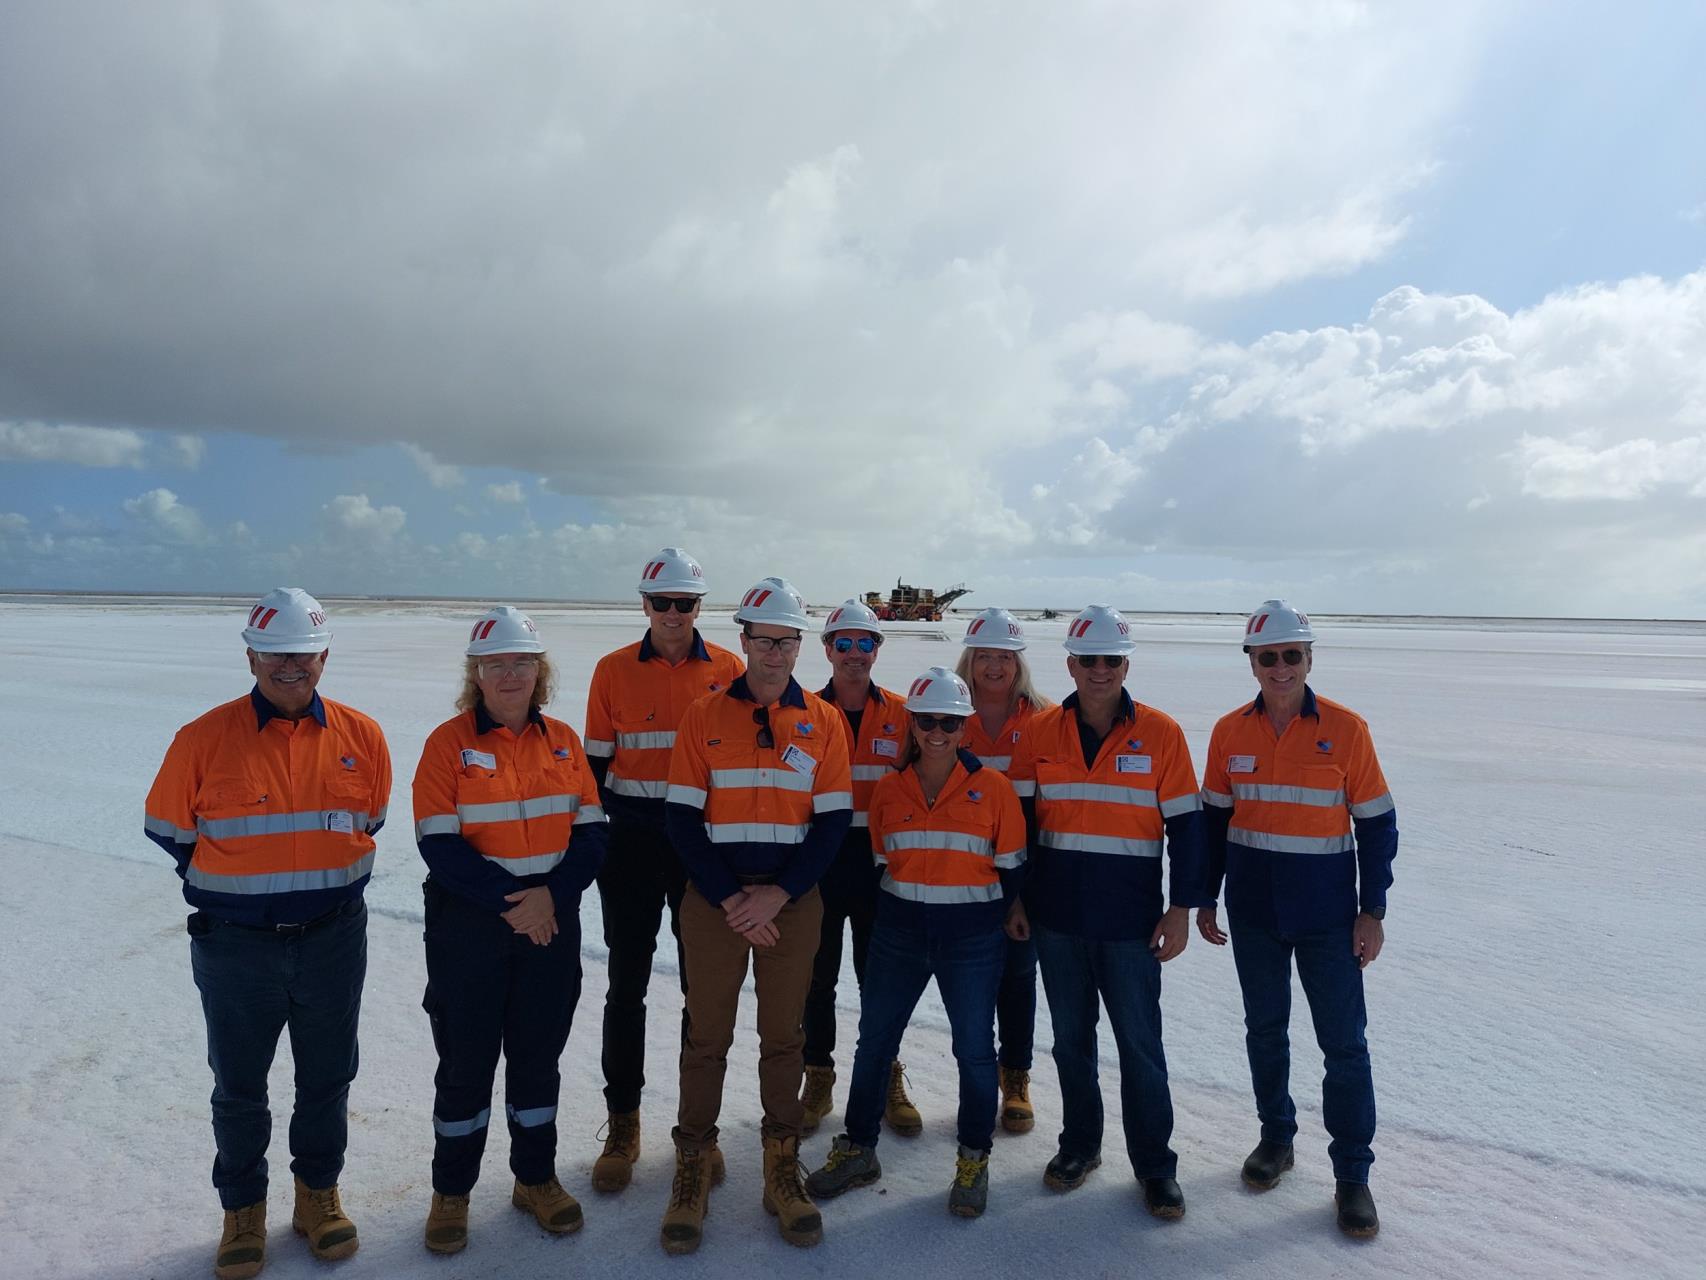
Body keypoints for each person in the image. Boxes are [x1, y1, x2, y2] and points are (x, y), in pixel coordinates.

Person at [144, 588, 391, 1280]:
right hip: (236, 946)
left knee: (327, 1075)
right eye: (277, 654)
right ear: (251, 656)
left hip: (333, 938)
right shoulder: (202, 739)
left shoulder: (362, 736)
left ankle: (317, 1198)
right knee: (240, 1084)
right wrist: (244, 891)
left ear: (325, 657)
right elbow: (171, 832)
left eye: (306, 654)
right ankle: (242, 1211)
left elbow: (368, 821)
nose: (292, 666)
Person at [658, 577, 853, 1254]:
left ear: (800, 646)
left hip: (791, 903)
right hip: (716, 901)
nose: (775, 653)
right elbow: (681, 819)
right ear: (744, 640)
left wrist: (778, 895)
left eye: (788, 641)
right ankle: (694, 1162)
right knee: (706, 1034)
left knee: (783, 1036)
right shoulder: (704, 716)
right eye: (765, 640)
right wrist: (733, 900)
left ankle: (780, 1168)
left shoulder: (824, 722)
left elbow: (831, 827)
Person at [1196, 599, 1398, 1239]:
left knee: (1344, 1046)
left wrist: (1373, 910)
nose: (1279, 667)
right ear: (1251, 661)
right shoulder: (1230, 732)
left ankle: (1352, 1177)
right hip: (1255, 916)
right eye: (1267, 656)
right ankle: (1276, 1139)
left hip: (1328, 920)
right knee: (1265, 1032)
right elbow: (1212, 822)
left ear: (1309, 659)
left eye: (1291, 655)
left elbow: (1377, 826)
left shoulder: (1346, 730)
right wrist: (1204, 895)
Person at [411, 607, 609, 1254]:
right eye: (496, 663)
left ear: (539, 669)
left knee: (536, 1059)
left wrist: (551, 896)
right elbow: (439, 844)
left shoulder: (564, 742)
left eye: (522, 661)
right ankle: (452, 1191)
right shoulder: (447, 745)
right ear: (477, 673)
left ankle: (535, 1179)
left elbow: (592, 831)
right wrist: (515, 902)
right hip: (470, 930)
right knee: (465, 1063)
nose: (510, 674)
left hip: (550, 927)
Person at [806, 667, 1027, 1218]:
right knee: (875, 1043)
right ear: (911, 724)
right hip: (900, 934)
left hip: (971, 939)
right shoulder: (889, 790)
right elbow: (886, 860)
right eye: (926, 720)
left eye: (949, 722)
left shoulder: (994, 791)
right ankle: (858, 1148)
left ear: (964, 726)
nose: (936, 731)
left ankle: (973, 1158)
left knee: (975, 1051)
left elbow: (1011, 869)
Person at [1008, 604, 1205, 1220]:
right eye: (1087, 660)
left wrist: (1180, 910)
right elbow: (1015, 825)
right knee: (1071, 1042)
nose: (1099, 671)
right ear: (1069, 664)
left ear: (1126, 663)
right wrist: (1015, 897)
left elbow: (1188, 831)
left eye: (1111, 660)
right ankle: (1079, 1147)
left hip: (1131, 924)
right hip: (1057, 918)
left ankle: (1155, 1166)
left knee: (1141, 1046)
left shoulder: (1161, 733)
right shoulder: (1041, 732)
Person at [582, 549, 743, 1193]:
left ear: (700, 607)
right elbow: (593, 770)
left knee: (702, 993)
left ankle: (695, 1129)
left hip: (701, 844)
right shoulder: (613, 671)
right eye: (662, 602)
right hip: (632, 840)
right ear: (643, 604)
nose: (674, 614)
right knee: (627, 984)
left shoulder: (730, 669)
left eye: (686, 603)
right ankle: (623, 1122)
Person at [799, 599, 921, 1139]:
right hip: (819, 865)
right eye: (842, 643)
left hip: (880, 870)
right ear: (826, 649)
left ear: (878, 648)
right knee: (816, 979)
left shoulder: (903, 715)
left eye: (864, 642)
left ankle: (885, 1073)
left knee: (881, 982)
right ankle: (818, 1075)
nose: (853, 654)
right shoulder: (800, 713)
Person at [952, 606, 1055, 1135]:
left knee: (1018, 976)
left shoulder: (1045, 720)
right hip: (961, 871)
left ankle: (1015, 1077)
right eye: (984, 656)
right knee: (971, 980)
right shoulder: (946, 714)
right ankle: (976, 1076)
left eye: (1004, 657)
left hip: (1024, 874)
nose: (993, 667)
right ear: (969, 660)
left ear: (1019, 664)